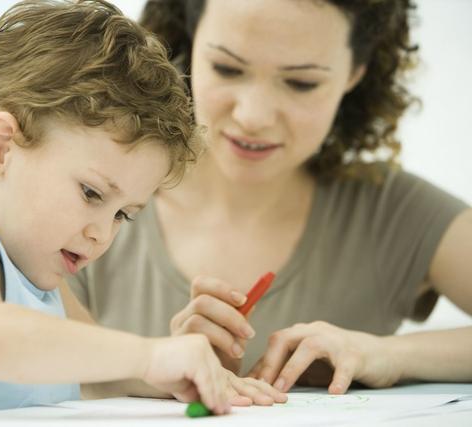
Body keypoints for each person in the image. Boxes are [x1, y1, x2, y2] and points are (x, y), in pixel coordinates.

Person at [0, 0, 287, 419]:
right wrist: (149, 356)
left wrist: (178, 370)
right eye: (91, 193)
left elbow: (97, 376)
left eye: (124, 215)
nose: (102, 234)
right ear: (0, 146)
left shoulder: (35, 276)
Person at [68, 0, 472, 396]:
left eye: (301, 82)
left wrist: (386, 355)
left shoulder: (395, 212)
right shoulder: (94, 193)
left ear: (355, 74)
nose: (253, 116)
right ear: (188, 45)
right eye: (227, 68)